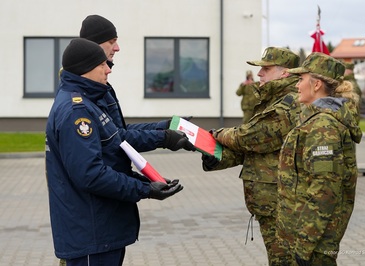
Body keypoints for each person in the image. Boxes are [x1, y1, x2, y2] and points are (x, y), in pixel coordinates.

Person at [45, 38, 184, 265]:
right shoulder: (76, 111)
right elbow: (91, 175)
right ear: (85, 69)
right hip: (92, 232)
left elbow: (116, 144)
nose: (108, 70)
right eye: (102, 65)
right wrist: (145, 189)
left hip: (101, 229)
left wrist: (150, 180)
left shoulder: (89, 101)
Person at [202, 47, 301, 265]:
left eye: (266, 68)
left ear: (285, 73)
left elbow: (251, 138)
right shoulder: (273, 99)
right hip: (272, 200)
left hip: (283, 201)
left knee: (285, 260)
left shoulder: (289, 103)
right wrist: (217, 157)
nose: (259, 74)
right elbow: (256, 149)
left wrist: (214, 135)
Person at [276, 53, 362, 265]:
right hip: (303, 234)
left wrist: (304, 244)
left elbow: (324, 189)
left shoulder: (323, 125)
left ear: (316, 85)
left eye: (301, 80)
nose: (297, 86)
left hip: (313, 244)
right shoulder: (314, 118)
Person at [78, 14, 195, 153]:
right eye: (111, 41)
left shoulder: (97, 86)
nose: (117, 48)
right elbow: (115, 138)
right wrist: (164, 138)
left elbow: (118, 131)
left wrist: (165, 126)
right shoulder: (85, 92)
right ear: (93, 44)